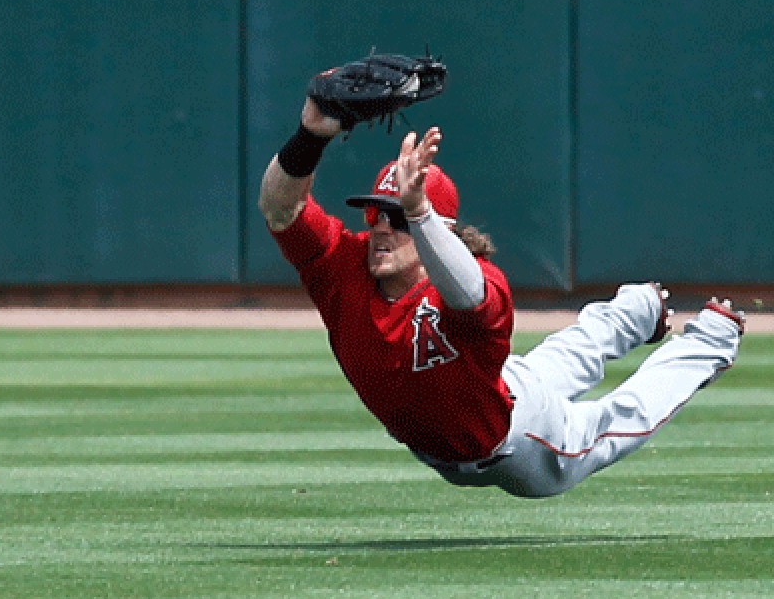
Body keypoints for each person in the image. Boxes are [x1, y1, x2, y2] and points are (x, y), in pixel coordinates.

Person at [258, 96, 745, 498]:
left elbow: (466, 293)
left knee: (618, 422)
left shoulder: (481, 283)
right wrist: (311, 132)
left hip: (520, 441)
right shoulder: (345, 270)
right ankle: (640, 308)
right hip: (486, 396)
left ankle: (711, 340)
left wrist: (420, 211)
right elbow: (280, 207)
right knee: (549, 365)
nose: (383, 229)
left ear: (437, 230)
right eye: (376, 215)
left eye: (399, 218)